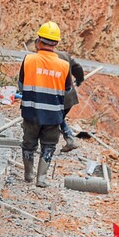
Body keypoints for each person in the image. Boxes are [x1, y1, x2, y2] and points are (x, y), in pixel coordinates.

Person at [17, 21, 73, 188]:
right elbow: (68, 88)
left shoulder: (29, 59)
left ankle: (28, 174)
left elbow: (21, 84)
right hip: (53, 115)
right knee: (48, 145)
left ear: (38, 41)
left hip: (31, 112)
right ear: (56, 43)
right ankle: (41, 179)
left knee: (28, 143)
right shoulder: (64, 65)